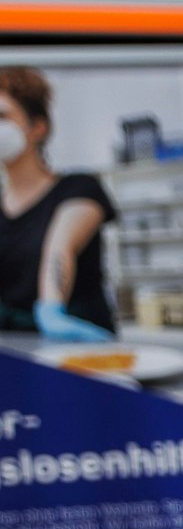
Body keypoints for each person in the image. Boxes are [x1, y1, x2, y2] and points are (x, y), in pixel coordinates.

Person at [0, 65, 117, 341]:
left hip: (77, 346)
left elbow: (59, 246)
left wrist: (51, 310)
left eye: (3, 116)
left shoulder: (79, 188)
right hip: (15, 352)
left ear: (38, 127)